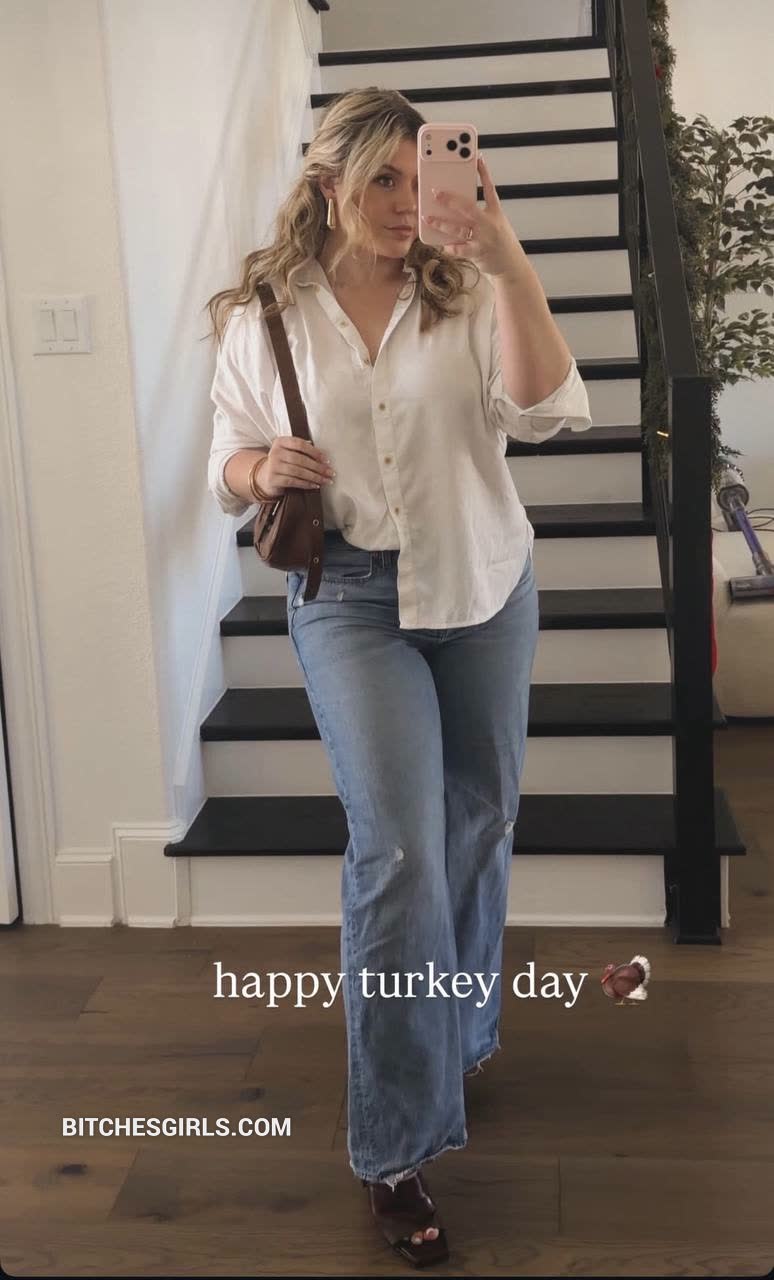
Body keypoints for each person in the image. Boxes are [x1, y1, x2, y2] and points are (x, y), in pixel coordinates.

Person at [205, 87, 591, 1269]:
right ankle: (394, 1145)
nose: (403, 203)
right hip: (351, 600)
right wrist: (259, 468)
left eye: (418, 179)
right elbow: (225, 459)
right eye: (380, 179)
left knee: (479, 819)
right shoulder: (268, 313)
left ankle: (457, 1025)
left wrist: (506, 254)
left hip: (484, 585)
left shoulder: (466, 287)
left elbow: (545, 409)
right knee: (401, 851)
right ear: (329, 185)